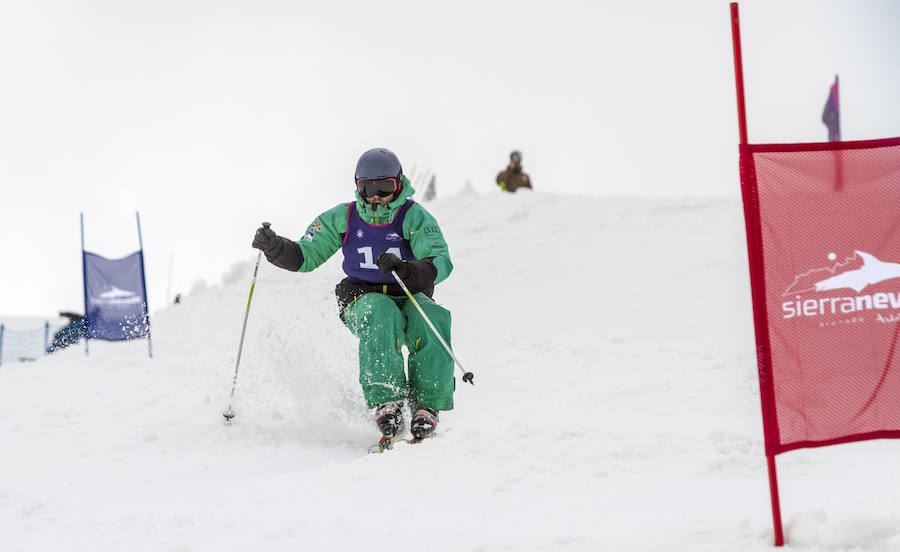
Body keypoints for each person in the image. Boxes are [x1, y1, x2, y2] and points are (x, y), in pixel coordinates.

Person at [251, 147, 454, 444]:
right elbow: (306, 255)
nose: (376, 196)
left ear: (399, 184)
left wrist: (407, 269)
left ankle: (428, 402)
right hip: (361, 295)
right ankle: (388, 400)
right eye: (367, 188)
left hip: (408, 290)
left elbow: (440, 259)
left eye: (385, 187)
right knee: (382, 312)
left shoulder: (414, 217)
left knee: (432, 318)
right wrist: (275, 247)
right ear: (357, 186)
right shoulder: (343, 217)